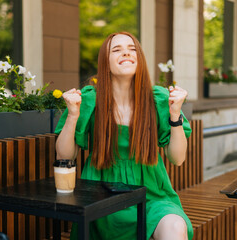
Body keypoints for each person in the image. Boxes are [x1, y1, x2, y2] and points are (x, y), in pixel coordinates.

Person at [54, 32, 193, 240]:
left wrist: (175, 115)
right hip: (102, 196)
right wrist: (73, 115)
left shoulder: (159, 99)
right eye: (117, 50)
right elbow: (65, 156)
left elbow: (178, 158)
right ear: (105, 62)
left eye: (132, 49)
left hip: (151, 195)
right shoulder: (89, 100)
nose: (126, 53)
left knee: (175, 227)